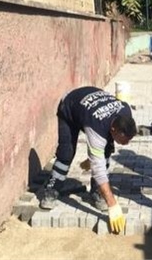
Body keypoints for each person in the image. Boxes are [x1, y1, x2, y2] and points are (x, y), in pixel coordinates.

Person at [40, 86, 137, 234]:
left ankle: (97, 192)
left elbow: (103, 150)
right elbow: (98, 168)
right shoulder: (96, 128)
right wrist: (112, 204)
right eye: (124, 140)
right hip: (70, 107)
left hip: (91, 108)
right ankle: (52, 189)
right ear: (114, 130)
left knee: (105, 152)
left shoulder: (125, 111)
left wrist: (94, 157)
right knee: (66, 153)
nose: (126, 144)